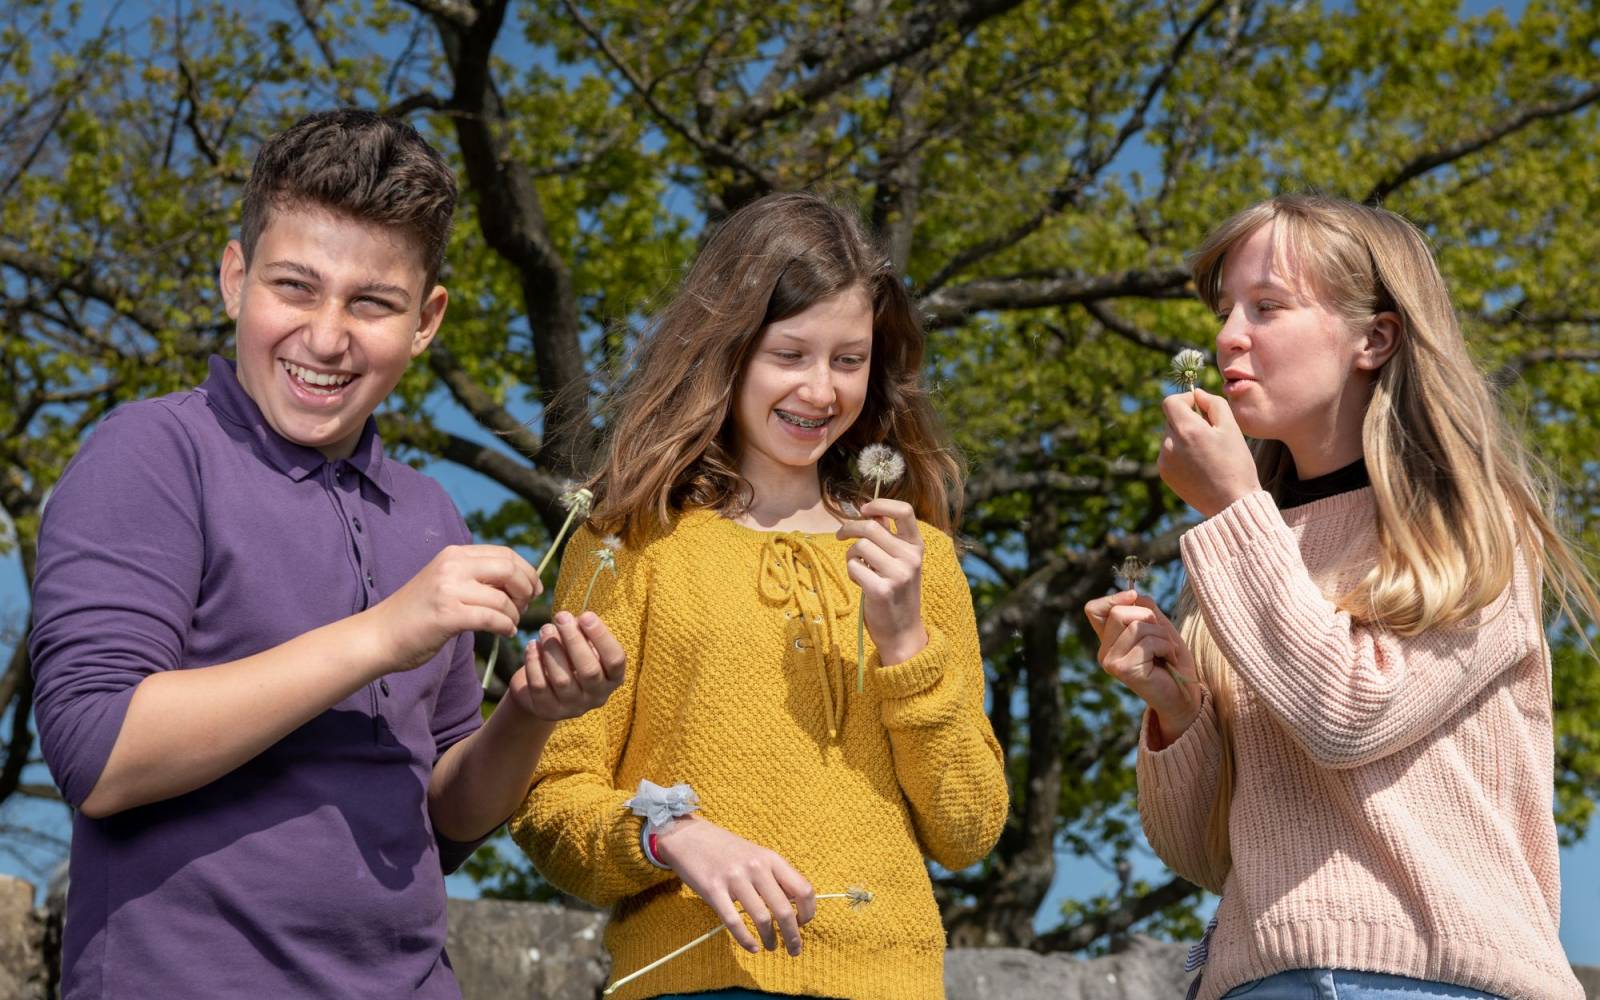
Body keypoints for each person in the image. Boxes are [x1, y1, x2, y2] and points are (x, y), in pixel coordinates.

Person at [29, 109, 624, 999]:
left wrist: (531, 715)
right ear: (236, 280)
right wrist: (385, 633)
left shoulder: (431, 514)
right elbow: (98, 755)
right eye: (295, 287)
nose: (327, 336)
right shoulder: (150, 454)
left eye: (372, 303)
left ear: (425, 323)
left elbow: (449, 818)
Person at [1085, 194, 1598, 1000]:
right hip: (1261, 978)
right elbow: (1203, 853)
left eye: (1268, 306)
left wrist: (1230, 509)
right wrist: (1175, 708)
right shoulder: (1257, 542)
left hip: (1435, 982)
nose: (1226, 336)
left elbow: (1348, 716)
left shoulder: (1472, 525)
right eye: (1225, 310)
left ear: (1375, 337)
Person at [509, 191, 1008, 1000]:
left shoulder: (918, 559)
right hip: (697, 980)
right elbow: (549, 804)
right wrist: (670, 836)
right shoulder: (629, 543)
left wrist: (907, 643)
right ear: (728, 351)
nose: (821, 389)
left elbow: (968, 828)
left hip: (894, 982)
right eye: (791, 354)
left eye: (849, 360)